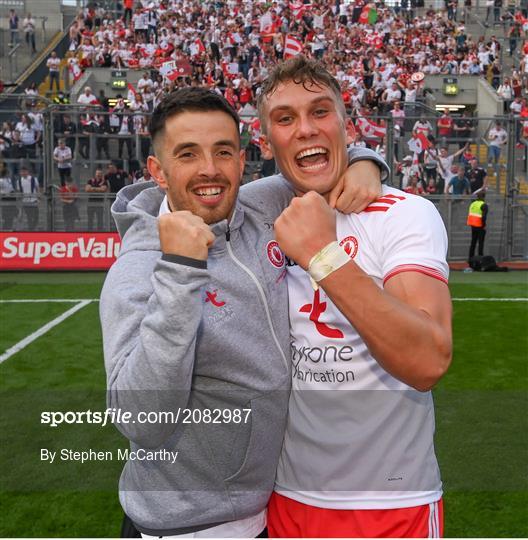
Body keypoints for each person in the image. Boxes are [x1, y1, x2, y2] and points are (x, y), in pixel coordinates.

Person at [100, 87, 388, 538]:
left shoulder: (257, 206)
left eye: (223, 152)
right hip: (182, 527)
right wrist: (179, 271)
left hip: (264, 512)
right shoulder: (136, 270)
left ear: (242, 160)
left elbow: (315, 159)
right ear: (157, 170)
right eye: (188, 154)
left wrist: (366, 162)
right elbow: (142, 421)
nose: (209, 170)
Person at [254, 56, 452, 538]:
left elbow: (427, 360)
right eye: (285, 119)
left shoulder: (404, 213)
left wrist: (322, 255)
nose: (305, 129)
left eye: (320, 112)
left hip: (391, 502)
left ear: (347, 124)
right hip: (286, 500)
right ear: (266, 141)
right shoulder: (258, 212)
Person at [467, 191, 488, 261]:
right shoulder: (484, 205)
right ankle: (480, 258)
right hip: (480, 225)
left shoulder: (473, 204)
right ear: (483, 197)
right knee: (480, 243)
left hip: (473, 225)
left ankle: (470, 258)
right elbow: (483, 217)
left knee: (473, 242)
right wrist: (484, 225)